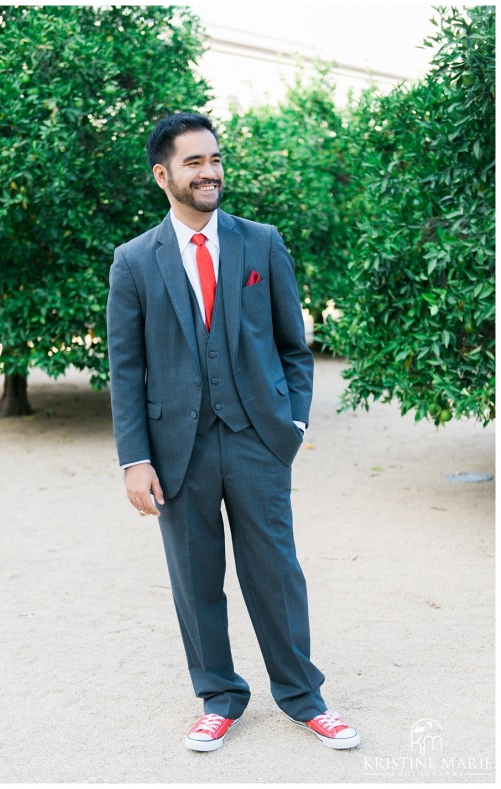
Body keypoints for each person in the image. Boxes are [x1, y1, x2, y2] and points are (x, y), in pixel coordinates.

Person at [107, 112, 360, 752]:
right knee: (195, 578)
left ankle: (304, 697)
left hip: (258, 438)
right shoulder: (133, 261)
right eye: (193, 162)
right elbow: (126, 368)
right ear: (163, 175)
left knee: (276, 571)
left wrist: (292, 423)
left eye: (215, 159)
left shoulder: (262, 243)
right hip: (176, 448)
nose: (210, 172)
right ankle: (218, 697)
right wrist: (135, 458)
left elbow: (293, 346)